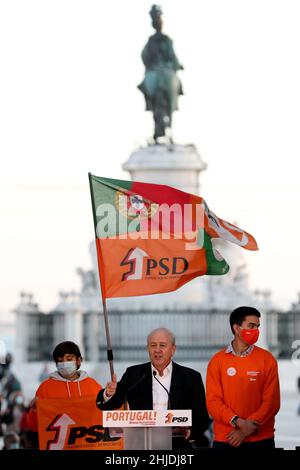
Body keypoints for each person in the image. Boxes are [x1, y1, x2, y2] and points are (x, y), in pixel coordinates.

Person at [96, 328, 209, 449]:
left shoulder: (191, 377)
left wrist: (190, 432)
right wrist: (108, 394)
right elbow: (110, 403)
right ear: (147, 349)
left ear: (173, 350)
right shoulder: (134, 374)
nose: (157, 350)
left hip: (177, 446)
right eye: (153, 345)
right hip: (140, 444)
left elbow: (201, 418)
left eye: (163, 345)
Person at [206, 306, 280, 449]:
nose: (256, 331)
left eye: (257, 326)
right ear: (237, 328)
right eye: (251, 326)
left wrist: (245, 430)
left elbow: (272, 402)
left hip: (261, 440)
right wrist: (238, 422)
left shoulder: (267, 359)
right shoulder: (217, 361)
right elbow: (213, 402)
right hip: (226, 439)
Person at [26, 341, 102, 437]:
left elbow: (103, 416)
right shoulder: (46, 388)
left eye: (69, 359)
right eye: (60, 360)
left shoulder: (93, 386)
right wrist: (34, 410)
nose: (64, 363)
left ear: (78, 360)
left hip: (89, 444)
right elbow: (34, 426)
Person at [138, 5, 183, 142]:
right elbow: (145, 57)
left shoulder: (167, 41)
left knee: (149, 83)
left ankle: (150, 101)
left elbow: (171, 58)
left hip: (161, 69)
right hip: (159, 70)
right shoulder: (151, 42)